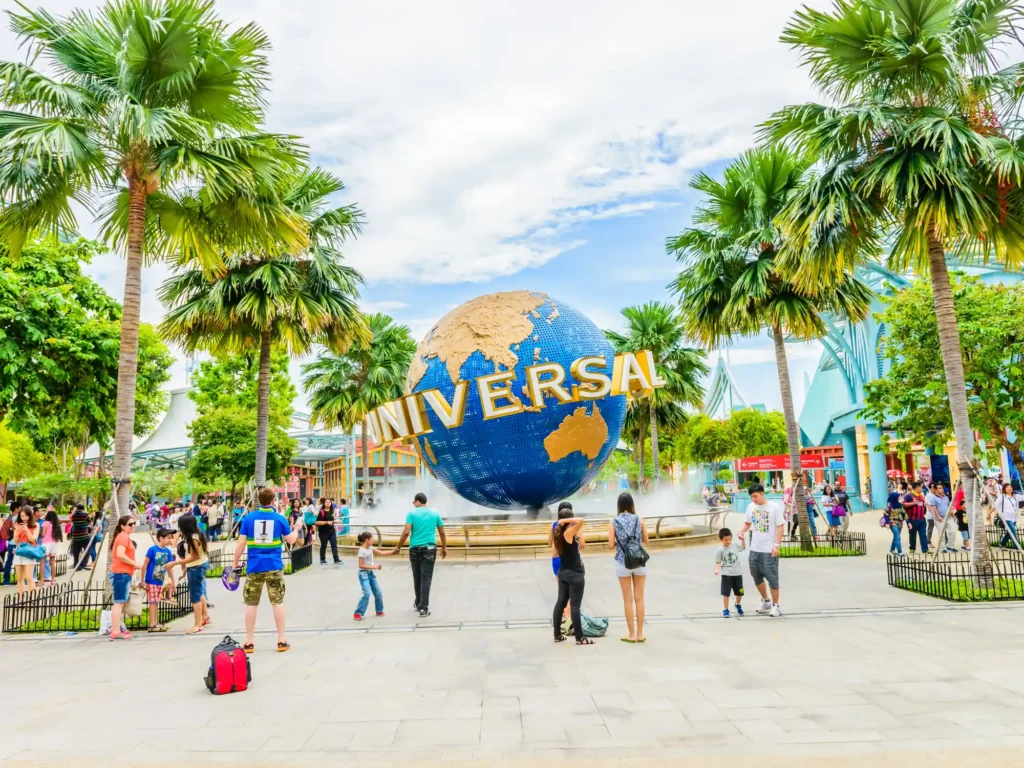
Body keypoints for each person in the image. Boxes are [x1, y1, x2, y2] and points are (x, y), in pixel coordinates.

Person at [233, 487, 299, 653]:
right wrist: (297, 528)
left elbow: (240, 543)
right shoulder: (279, 518)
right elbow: (291, 540)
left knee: (251, 603)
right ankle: (281, 640)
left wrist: (235, 562)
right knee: (277, 602)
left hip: (254, 566)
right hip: (274, 566)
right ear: (272, 501)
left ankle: (249, 641)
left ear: (258, 500)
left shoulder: (248, 518)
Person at [392, 492, 446, 617]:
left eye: (414, 502)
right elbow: (442, 533)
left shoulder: (411, 514)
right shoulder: (435, 513)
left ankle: (418, 602)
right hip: (429, 549)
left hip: (414, 549)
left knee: (417, 576)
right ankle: (424, 607)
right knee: (426, 578)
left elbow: (406, 532)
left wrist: (398, 547)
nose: (413, 504)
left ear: (417, 502)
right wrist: (444, 547)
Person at [736, 484, 785, 617]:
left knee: (772, 577)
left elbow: (780, 527)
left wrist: (777, 545)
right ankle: (766, 601)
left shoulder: (774, 507)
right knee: (756, 575)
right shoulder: (751, 507)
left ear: (762, 494)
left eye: (755, 496)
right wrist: (742, 531)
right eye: (751, 496)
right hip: (755, 548)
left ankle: (776, 606)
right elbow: (747, 523)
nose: (753, 499)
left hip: (769, 549)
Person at [608, 491, 649, 643]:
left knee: (628, 600)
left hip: (622, 561)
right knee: (640, 599)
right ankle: (640, 634)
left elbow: (610, 545)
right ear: (632, 504)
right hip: (639, 561)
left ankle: (631, 635)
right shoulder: (640, 519)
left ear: (618, 505)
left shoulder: (614, 522)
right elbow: (647, 540)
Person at [551, 513, 591, 645]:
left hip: (563, 572)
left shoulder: (558, 533)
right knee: (575, 606)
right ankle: (580, 638)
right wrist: (565, 520)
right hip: (574, 573)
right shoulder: (568, 533)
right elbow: (581, 520)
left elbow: (555, 553)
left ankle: (557, 635)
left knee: (560, 603)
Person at [168, 514, 210, 635]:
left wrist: (176, 563)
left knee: (195, 596)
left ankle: (197, 624)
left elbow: (193, 556)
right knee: (199, 591)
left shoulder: (193, 537)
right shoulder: (197, 533)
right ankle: (205, 616)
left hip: (196, 567)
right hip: (198, 565)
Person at [107, 515, 138, 640]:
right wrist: (134, 563)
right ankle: (115, 631)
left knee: (121, 602)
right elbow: (120, 554)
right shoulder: (123, 537)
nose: (133, 526)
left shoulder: (123, 537)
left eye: (134, 523)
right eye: (130, 524)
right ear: (122, 526)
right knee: (119, 603)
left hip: (122, 573)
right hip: (121, 573)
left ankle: (117, 629)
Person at [141, 528, 176, 633]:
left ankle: (155, 622)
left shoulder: (167, 551)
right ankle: (152, 624)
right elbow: (145, 565)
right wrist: (143, 580)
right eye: (168, 538)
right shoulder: (152, 550)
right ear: (161, 538)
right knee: (153, 602)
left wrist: (173, 580)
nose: (170, 540)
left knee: (156, 602)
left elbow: (169, 567)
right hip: (151, 580)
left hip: (160, 580)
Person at [353, 531, 387, 620]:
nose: (373, 540)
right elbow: (360, 565)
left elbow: (381, 553)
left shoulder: (370, 548)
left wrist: (394, 551)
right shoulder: (361, 551)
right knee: (367, 593)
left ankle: (379, 611)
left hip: (370, 574)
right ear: (367, 540)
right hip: (363, 574)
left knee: (378, 593)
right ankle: (358, 613)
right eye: (372, 539)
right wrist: (374, 567)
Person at [714, 527, 745, 618]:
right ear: (721, 539)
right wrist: (717, 569)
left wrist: (743, 540)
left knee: (740, 592)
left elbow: (743, 547)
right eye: (725, 540)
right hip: (726, 574)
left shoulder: (734, 545)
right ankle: (726, 609)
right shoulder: (720, 550)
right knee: (726, 593)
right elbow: (718, 562)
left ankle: (738, 604)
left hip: (737, 573)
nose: (728, 541)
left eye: (729, 539)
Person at [12, 504, 40, 596]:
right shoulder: (17, 525)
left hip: (29, 552)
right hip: (19, 552)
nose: (24, 518)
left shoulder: (36, 525)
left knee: (29, 577)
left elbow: (33, 539)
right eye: (22, 516)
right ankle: (21, 599)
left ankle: (32, 599)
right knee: (19, 579)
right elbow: (16, 541)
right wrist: (16, 531)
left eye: (26, 515)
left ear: (30, 515)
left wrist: (27, 530)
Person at [926, 482, 957, 553]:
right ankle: (943, 547)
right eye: (939, 488)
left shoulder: (946, 497)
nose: (941, 490)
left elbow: (949, 507)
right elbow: (934, 508)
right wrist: (938, 516)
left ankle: (950, 545)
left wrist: (953, 515)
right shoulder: (933, 498)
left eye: (942, 488)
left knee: (953, 531)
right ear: (936, 489)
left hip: (948, 517)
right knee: (941, 534)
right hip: (939, 518)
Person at [902, 482, 929, 554]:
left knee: (923, 534)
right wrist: (913, 503)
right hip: (912, 519)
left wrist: (925, 506)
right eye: (920, 487)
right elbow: (903, 504)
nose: (921, 489)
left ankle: (925, 549)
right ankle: (912, 548)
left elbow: (923, 505)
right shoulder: (908, 496)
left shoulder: (921, 496)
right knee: (913, 535)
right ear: (917, 487)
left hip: (922, 519)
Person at [315, 497, 342, 565]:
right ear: (324, 503)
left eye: (329, 502)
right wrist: (326, 522)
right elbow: (317, 522)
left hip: (332, 532)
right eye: (326, 502)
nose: (328, 503)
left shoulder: (332, 511)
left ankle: (336, 559)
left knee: (334, 545)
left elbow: (332, 520)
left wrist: (335, 521)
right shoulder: (322, 512)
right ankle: (322, 559)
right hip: (323, 532)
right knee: (324, 546)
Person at [38, 509, 61, 586]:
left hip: (45, 544)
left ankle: (41, 581)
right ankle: (53, 580)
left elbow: (43, 534)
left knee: (42, 563)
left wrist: (40, 533)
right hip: (53, 544)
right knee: (52, 563)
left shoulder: (45, 523)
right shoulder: (56, 524)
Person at [995, 482, 1020, 549]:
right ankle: (1017, 547)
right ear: (1004, 489)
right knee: (1013, 530)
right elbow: (995, 506)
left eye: (1010, 487)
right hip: (1006, 517)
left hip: (1014, 517)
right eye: (1007, 487)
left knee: (1010, 532)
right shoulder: (1002, 497)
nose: (1009, 488)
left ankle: (1001, 544)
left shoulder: (1015, 496)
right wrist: (989, 513)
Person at [951, 481, 970, 550]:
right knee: (963, 524)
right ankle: (968, 546)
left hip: (957, 507)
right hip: (960, 507)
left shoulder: (955, 491)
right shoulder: (961, 491)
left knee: (962, 522)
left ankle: (964, 545)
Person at [1, 505, 15, 585]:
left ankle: (6, 581)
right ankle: (23, 580)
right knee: (20, 562)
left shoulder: (8, 519)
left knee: (9, 561)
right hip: (16, 543)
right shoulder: (16, 519)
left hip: (10, 542)